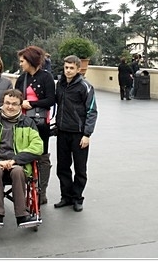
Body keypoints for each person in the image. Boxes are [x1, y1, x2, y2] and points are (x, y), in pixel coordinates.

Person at [0, 89, 43, 226]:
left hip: (18, 164)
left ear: (20, 106)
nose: (10, 107)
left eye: (14, 104)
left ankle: (22, 214)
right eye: (7, 103)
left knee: (17, 171)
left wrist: (15, 160)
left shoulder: (28, 123)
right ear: (3, 103)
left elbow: (37, 146)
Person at [54, 55, 98, 212]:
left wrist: (87, 134)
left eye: (71, 68)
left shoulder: (85, 86)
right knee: (62, 167)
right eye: (66, 67)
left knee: (80, 169)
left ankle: (77, 198)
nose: (68, 70)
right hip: (62, 132)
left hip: (79, 134)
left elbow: (92, 111)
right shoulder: (60, 84)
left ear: (78, 69)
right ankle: (66, 196)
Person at [15, 45, 56, 205]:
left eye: (22, 61)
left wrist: (31, 103)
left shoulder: (46, 77)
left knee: (42, 155)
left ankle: (41, 191)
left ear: (30, 61)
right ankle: (27, 188)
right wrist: (20, 103)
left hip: (41, 124)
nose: (20, 64)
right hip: (23, 123)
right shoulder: (21, 79)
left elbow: (51, 100)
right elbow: (15, 97)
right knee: (24, 153)